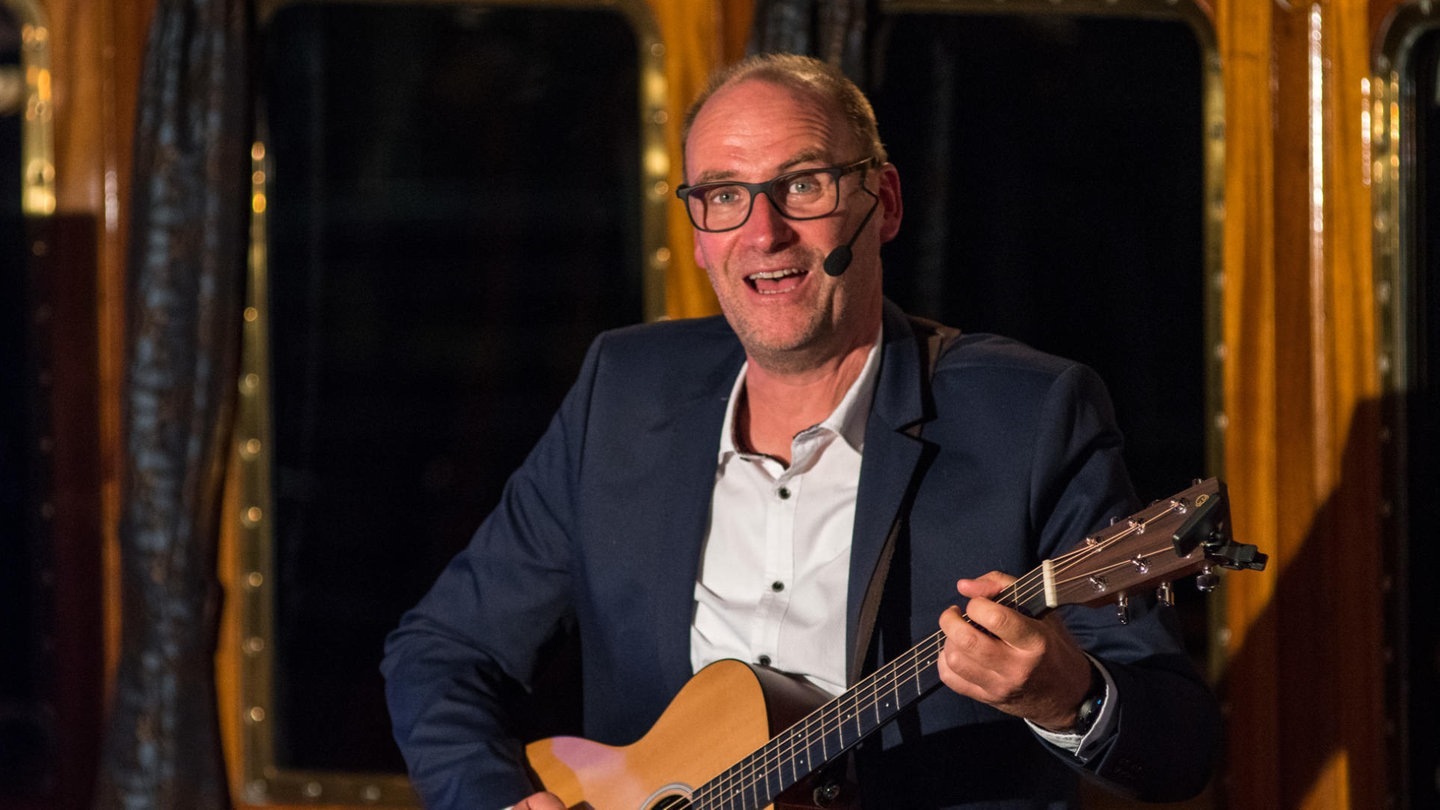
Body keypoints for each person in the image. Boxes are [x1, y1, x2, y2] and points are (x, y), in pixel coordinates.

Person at [382, 53, 1221, 809]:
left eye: (804, 183)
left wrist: (1065, 696)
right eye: (723, 195)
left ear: (882, 204)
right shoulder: (626, 391)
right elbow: (442, 650)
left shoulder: (1029, 415)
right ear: (700, 237)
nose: (763, 230)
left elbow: (1180, 748)